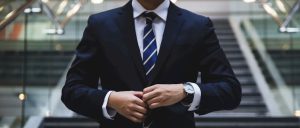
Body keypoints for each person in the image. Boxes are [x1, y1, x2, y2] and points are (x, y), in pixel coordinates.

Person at [61, 0, 241, 128]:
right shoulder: (100, 24)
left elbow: (230, 90)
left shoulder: (198, 26)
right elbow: (72, 90)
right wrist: (111, 100)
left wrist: (185, 91)